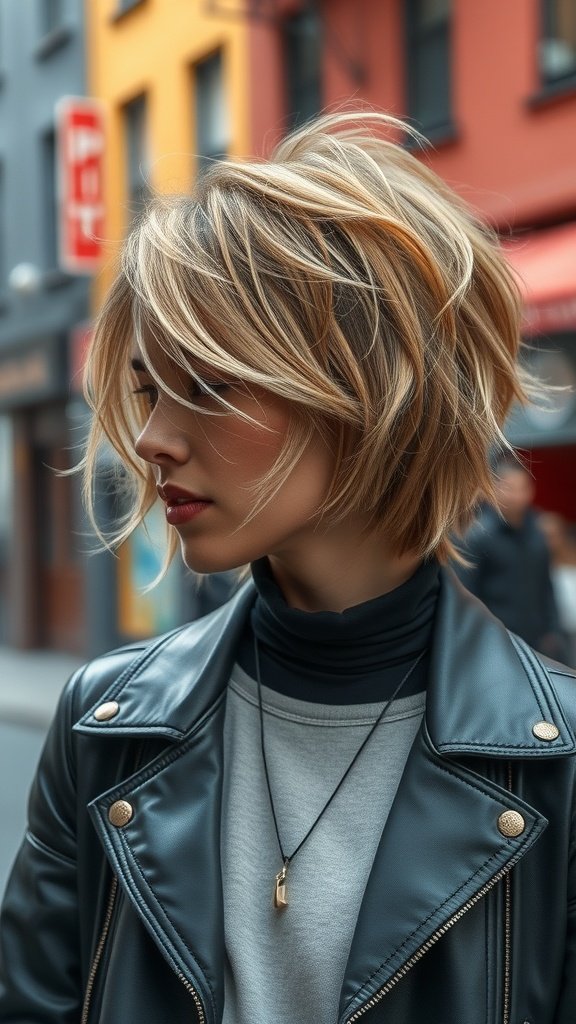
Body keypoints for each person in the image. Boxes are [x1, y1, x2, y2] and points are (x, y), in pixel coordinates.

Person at [1, 111, 575, 1024]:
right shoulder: (106, 727)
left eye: (209, 384)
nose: (150, 438)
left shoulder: (561, 765)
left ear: (364, 383)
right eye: (151, 387)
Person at [454, 456, 566, 659]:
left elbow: (546, 585)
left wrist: (554, 630)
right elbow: (467, 595)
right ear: (492, 490)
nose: (516, 495)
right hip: (497, 641)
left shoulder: (538, 531)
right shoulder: (477, 535)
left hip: (538, 640)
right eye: (509, 488)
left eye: (522, 488)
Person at [539, 511, 576, 666]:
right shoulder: (537, 562)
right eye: (545, 536)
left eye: (554, 535)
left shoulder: (571, 557)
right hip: (557, 633)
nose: (550, 542)